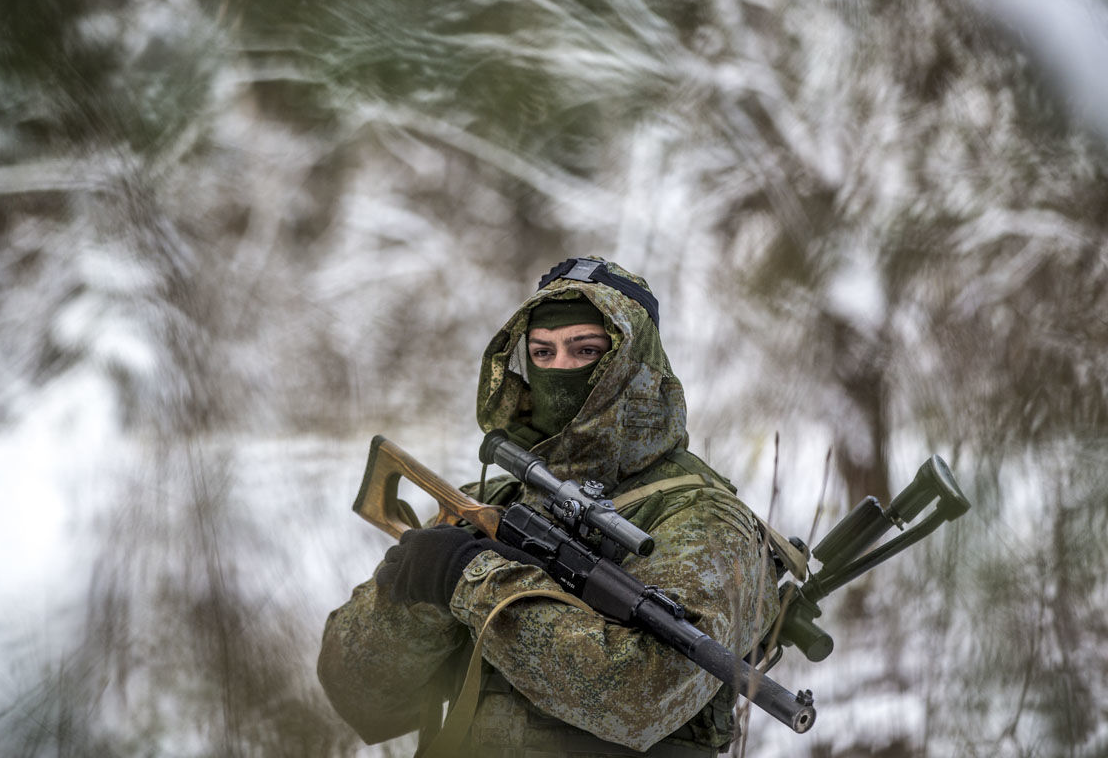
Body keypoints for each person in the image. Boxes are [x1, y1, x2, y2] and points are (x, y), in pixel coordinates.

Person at [318, 257, 780, 757]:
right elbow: (357, 697)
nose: (558, 369)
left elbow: (640, 698)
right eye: (542, 351)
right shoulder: (497, 499)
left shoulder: (702, 518)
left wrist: (473, 582)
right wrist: (415, 593)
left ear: (633, 365)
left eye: (585, 350)